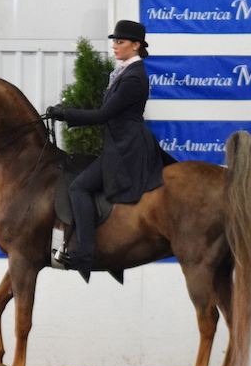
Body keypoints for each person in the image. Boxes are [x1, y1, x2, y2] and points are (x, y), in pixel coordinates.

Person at [46, 20, 166, 281]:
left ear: (136, 46)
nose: (114, 46)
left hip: (128, 148)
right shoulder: (124, 72)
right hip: (119, 144)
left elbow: (104, 115)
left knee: (78, 187)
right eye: (114, 41)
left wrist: (65, 114)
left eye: (120, 42)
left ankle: (85, 254)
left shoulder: (134, 77)